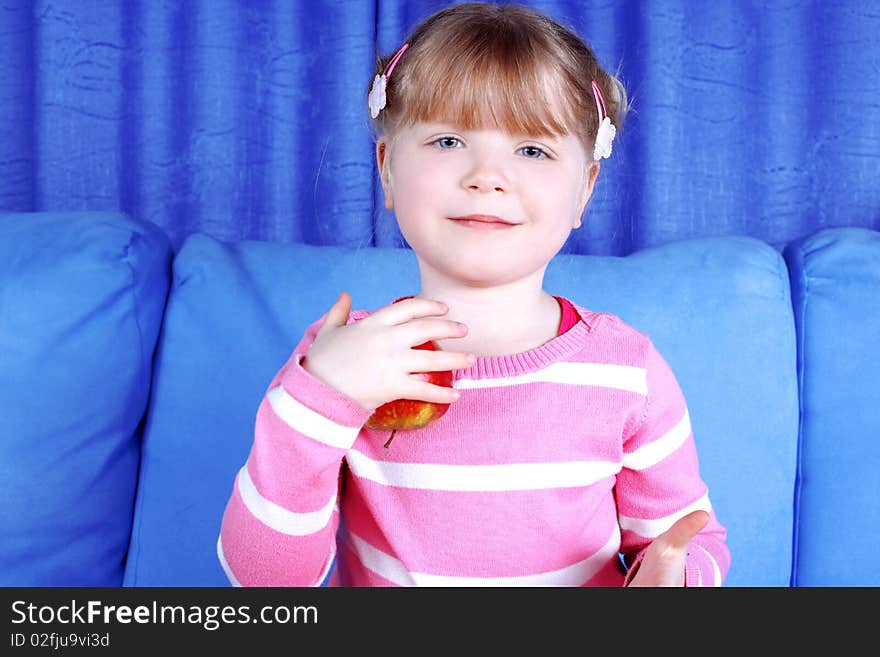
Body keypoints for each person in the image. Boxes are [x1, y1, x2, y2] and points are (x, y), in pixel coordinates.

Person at [218, 1, 730, 587]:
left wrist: (678, 576)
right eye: (447, 141)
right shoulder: (341, 358)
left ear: (584, 189)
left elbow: (692, 539)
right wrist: (319, 402)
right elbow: (263, 582)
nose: (486, 175)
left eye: (532, 149)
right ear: (387, 170)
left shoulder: (627, 373)